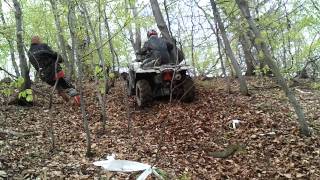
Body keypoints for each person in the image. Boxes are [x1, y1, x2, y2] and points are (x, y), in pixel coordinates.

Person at [27, 36, 80, 106]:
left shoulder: (29, 53)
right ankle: (79, 104)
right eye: (40, 39)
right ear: (38, 41)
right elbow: (54, 54)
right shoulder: (43, 46)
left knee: (59, 88)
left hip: (45, 76)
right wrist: (61, 59)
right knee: (68, 87)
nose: (41, 40)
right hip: (55, 71)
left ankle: (69, 103)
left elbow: (36, 66)